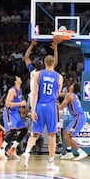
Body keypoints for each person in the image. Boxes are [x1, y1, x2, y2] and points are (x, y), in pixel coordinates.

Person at [21, 42, 62, 171]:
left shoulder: (37, 74)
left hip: (38, 104)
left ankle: (26, 152)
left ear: (44, 63)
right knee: (52, 136)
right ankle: (50, 162)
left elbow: (35, 94)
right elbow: (58, 93)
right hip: (51, 106)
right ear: (53, 63)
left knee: (35, 134)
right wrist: (56, 48)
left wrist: (33, 110)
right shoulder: (59, 77)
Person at [0, 76, 28, 160]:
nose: (20, 78)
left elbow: (19, 103)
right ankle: (1, 149)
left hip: (15, 113)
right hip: (9, 112)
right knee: (13, 131)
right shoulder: (12, 90)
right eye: (18, 77)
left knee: (24, 130)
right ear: (15, 81)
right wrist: (20, 104)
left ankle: (12, 149)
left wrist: (23, 110)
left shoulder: (20, 91)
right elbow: (7, 104)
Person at [58, 83, 88, 161]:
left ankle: (81, 152)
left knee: (68, 136)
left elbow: (61, 107)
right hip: (76, 117)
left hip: (79, 117)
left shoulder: (69, 96)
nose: (70, 85)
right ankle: (69, 153)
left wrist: (55, 102)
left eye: (71, 85)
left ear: (73, 88)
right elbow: (60, 94)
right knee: (65, 133)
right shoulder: (70, 94)